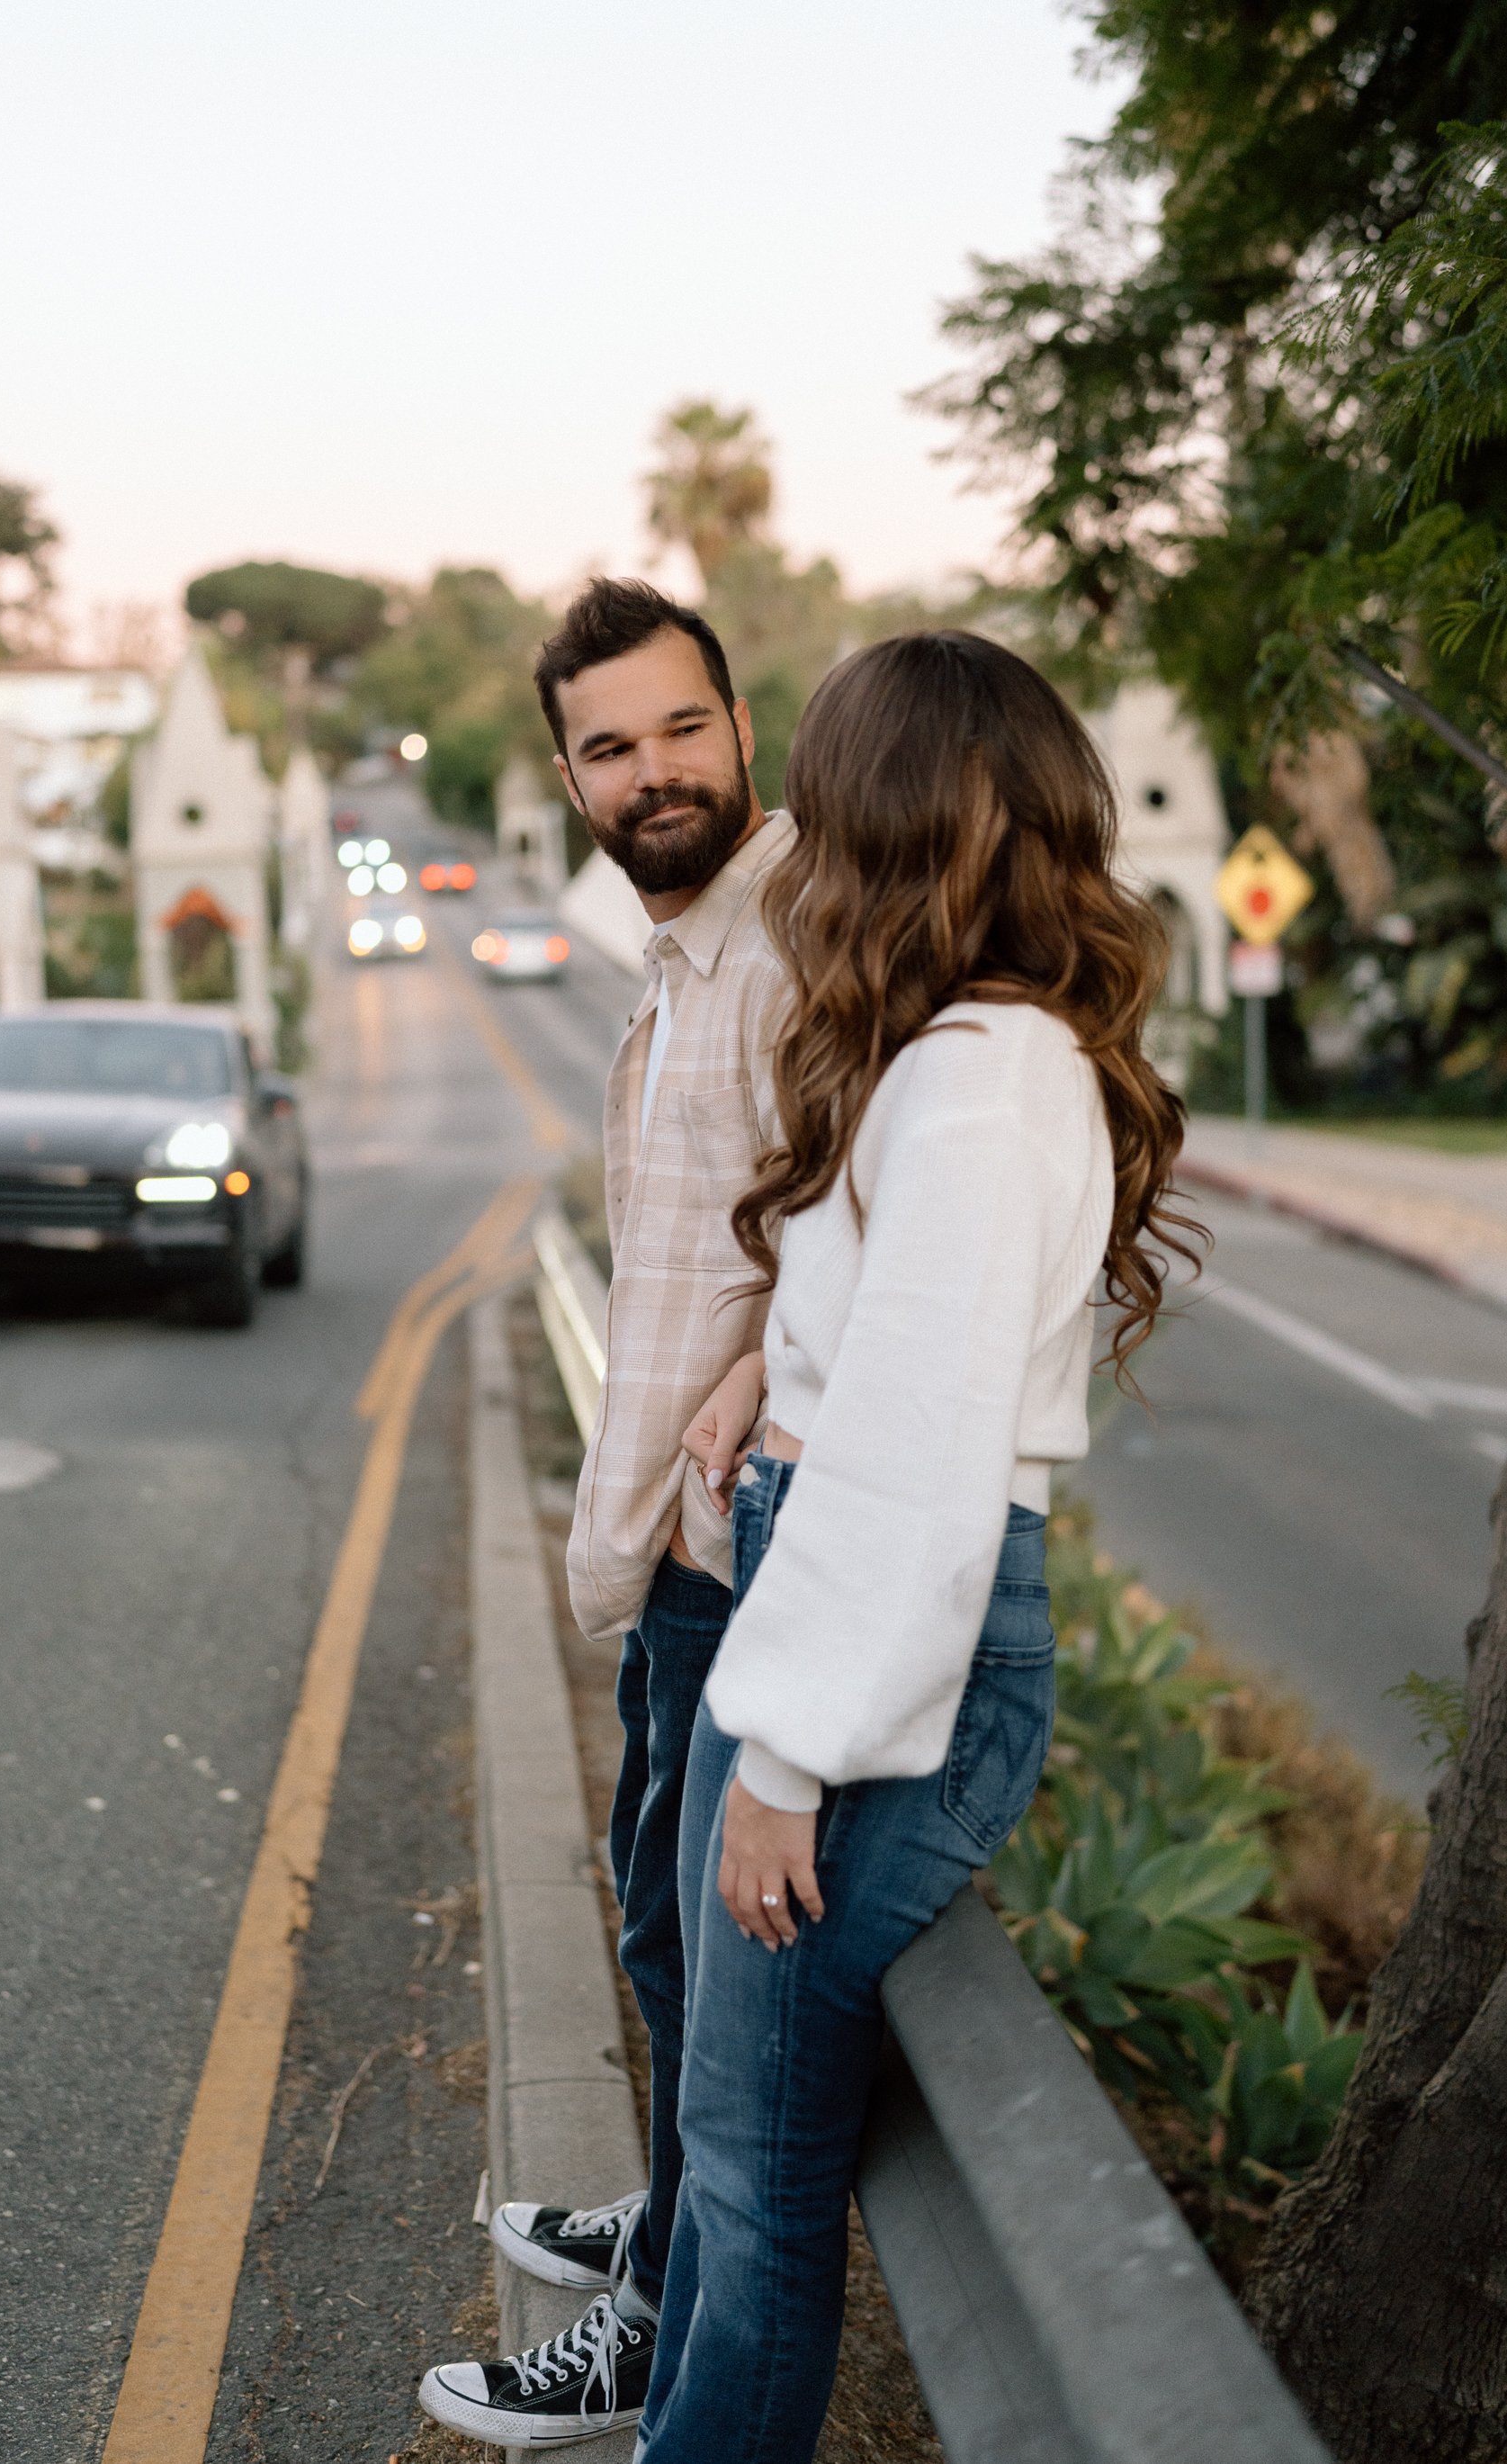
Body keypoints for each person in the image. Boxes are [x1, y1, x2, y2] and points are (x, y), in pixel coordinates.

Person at [635, 630, 1200, 2460]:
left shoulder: (976, 1077)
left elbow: (922, 1454)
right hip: (824, 1613)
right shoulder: (959, 1055)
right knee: (738, 2157)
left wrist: (789, 1750)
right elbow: (867, 1369)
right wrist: (754, 1380)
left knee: (758, 2169)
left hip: (874, 1668)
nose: (792, 827)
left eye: (819, 784)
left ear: (890, 819)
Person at [419, 579, 794, 2448]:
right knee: (654, 1947)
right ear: (566, 775)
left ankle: (648, 2328)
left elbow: (895, 1220)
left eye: (679, 728)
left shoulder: (805, 940)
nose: (651, 772)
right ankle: (658, 2224)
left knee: (712, 2003)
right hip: (674, 1560)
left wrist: (770, 1373)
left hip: (753, 1573)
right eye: (608, 746)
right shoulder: (679, 960)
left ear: (744, 724)